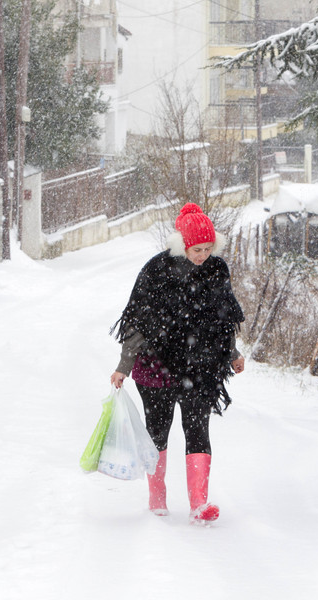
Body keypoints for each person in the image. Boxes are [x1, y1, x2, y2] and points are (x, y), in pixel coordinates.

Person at [110, 203, 245, 523]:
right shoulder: (157, 270)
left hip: (200, 368)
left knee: (197, 429)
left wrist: (232, 354)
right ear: (183, 244)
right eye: (197, 249)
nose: (203, 255)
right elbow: (137, 322)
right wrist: (124, 365)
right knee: (158, 431)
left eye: (209, 248)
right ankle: (157, 497)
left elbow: (222, 320)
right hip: (157, 366)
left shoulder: (216, 269)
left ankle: (199, 504)